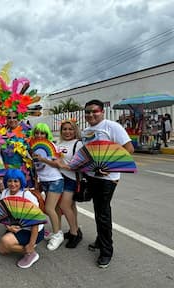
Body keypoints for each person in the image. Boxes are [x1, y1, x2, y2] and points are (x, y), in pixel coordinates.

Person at [82, 99, 134, 268]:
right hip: (91, 176)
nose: (90, 114)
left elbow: (129, 149)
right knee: (99, 210)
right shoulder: (86, 131)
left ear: (102, 111)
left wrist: (110, 167)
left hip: (106, 179)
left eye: (94, 111)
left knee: (103, 213)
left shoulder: (112, 127)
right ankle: (100, 240)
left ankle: (106, 251)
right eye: (87, 112)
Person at [0, 169, 44, 269]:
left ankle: (31, 252)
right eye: (9, 181)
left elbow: (36, 222)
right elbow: (3, 215)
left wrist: (31, 244)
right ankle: (24, 248)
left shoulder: (27, 196)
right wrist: (8, 226)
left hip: (32, 231)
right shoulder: (4, 193)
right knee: (2, 250)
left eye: (16, 181)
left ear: (21, 181)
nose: (12, 184)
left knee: (6, 241)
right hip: (16, 227)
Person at [29, 123, 64, 251]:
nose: (39, 135)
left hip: (55, 180)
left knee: (49, 209)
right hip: (43, 181)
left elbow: (58, 164)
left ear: (46, 134)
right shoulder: (32, 146)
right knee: (44, 207)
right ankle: (56, 231)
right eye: (37, 132)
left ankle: (57, 235)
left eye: (42, 133)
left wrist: (43, 159)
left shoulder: (51, 145)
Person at [56, 119, 83, 248]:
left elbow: (81, 165)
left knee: (64, 206)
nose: (67, 132)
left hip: (71, 179)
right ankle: (75, 228)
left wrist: (64, 166)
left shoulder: (78, 144)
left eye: (70, 129)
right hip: (59, 178)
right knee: (71, 206)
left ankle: (74, 233)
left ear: (75, 130)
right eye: (65, 129)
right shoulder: (59, 143)